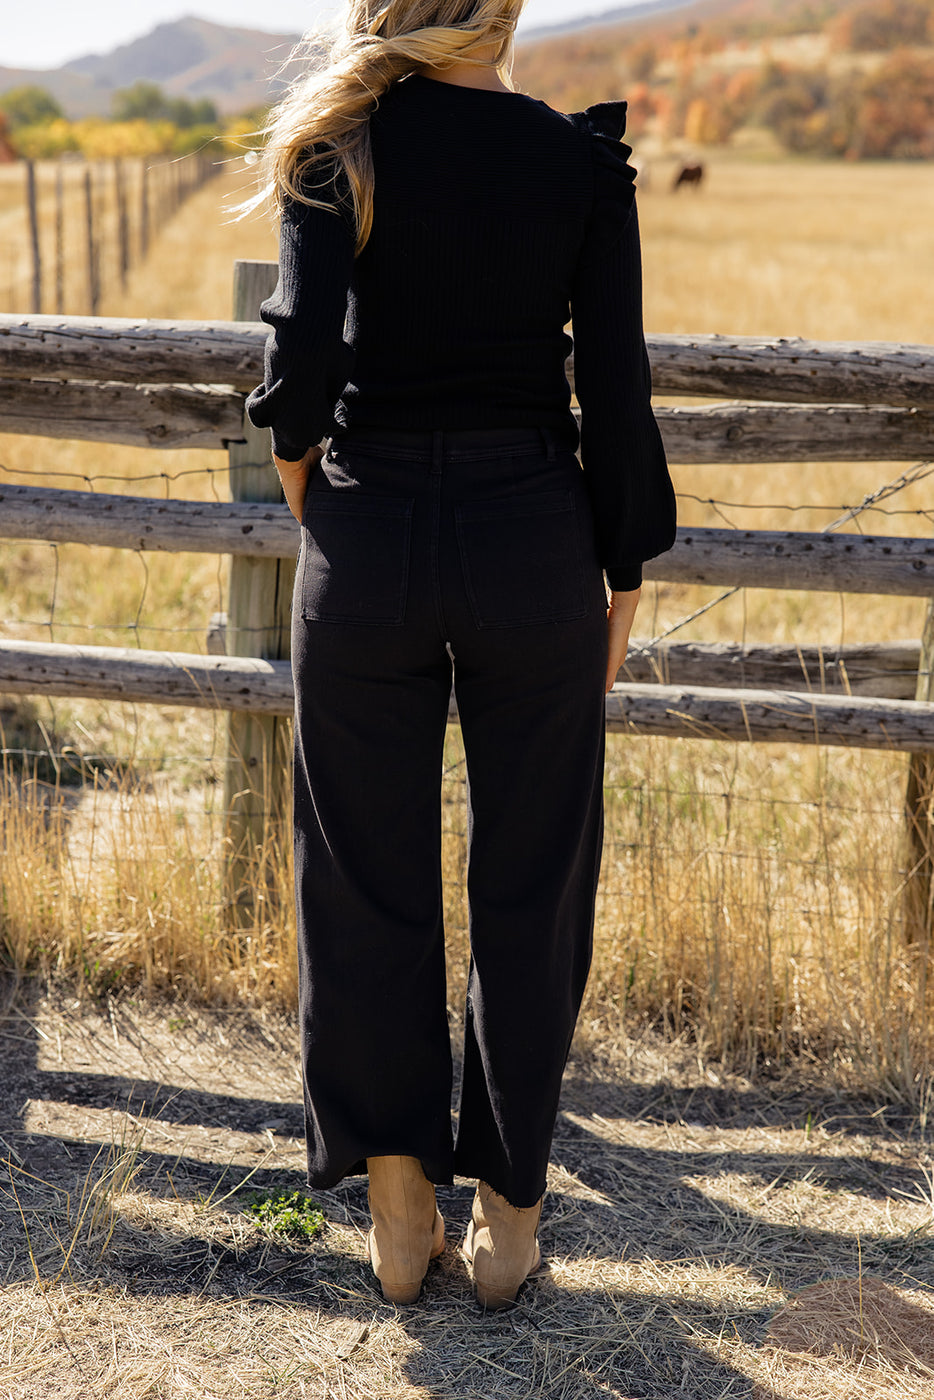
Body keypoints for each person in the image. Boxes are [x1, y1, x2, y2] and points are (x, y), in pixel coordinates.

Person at [245, 0, 676, 1309]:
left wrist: (322, 505)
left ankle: (393, 1216)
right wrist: (620, 571)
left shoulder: (338, 145)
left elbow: (300, 369)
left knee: (363, 876)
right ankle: (507, 1222)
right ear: (506, 10)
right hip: (536, 541)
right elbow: (613, 384)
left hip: (366, 536)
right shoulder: (575, 163)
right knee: (531, 883)